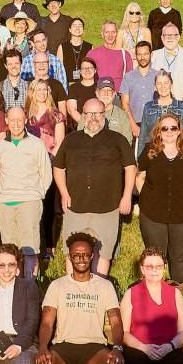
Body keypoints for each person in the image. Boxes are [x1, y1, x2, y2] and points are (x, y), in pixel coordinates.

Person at [37, 233, 125, 364]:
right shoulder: (57, 285)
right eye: (76, 255)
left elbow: (115, 321)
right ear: (70, 257)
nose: (81, 259)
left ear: (92, 256)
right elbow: (47, 323)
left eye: (85, 254)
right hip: (64, 346)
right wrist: (43, 348)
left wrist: (117, 347)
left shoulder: (104, 285)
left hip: (94, 347)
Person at [54, 99, 137, 275]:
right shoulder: (71, 140)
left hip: (107, 208)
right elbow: (59, 168)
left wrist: (126, 196)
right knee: (72, 252)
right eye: (89, 114)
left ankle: (99, 288)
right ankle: (72, 288)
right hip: (76, 207)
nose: (94, 118)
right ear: (83, 116)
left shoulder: (117, 139)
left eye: (98, 113)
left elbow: (130, 168)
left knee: (104, 252)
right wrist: (64, 193)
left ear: (104, 115)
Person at [135, 113, 183, 283]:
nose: (169, 131)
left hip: (182, 215)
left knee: (178, 258)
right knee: (155, 258)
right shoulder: (149, 151)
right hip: (152, 215)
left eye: (173, 128)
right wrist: (147, 198)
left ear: (179, 130)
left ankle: (179, 294)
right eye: (164, 128)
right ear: (158, 131)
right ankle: (153, 294)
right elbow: (140, 177)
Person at [0, 107, 53, 278]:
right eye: (12, 120)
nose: (16, 124)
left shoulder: (37, 144)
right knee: (10, 249)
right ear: (6, 121)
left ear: (25, 120)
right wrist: (7, 190)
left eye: (20, 120)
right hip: (6, 201)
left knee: (30, 248)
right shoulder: (0, 146)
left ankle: (30, 284)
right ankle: (13, 283)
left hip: (29, 201)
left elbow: (46, 173)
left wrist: (37, 194)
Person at [137, 71, 183, 157]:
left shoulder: (182, 107)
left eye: (166, 83)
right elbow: (143, 136)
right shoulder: (148, 107)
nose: (163, 87)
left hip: (175, 154)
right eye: (159, 83)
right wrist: (140, 158)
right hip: (153, 153)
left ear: (171, 84)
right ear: (155, 86)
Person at [118, 41, 156, 140]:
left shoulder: (158, 76)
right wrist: (133, 125)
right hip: (135, 124)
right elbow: (124, 103)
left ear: (151, 54)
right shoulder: (128, 77)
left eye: (145, 54)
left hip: (155, 124)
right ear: (136, 56)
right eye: (139, 54)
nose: (142, 57)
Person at [149, 24, 183, 100]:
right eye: (166, 35)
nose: (169, 38)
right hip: (159, 103)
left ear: (178, 37)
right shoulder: (153, 55)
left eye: (173, 35)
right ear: (162, 38)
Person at [25, 78, 67, 156]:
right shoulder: (26, 115)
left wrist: (49, 160)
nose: (42, 93)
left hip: (50, 157)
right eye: (39, 90)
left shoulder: (57, 115)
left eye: (45, 89)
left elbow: (59, 144)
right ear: (32, 92)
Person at [88, 20, 132, 89]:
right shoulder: (93, 54)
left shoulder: (125, 55)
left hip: (118, 93)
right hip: (99, 93)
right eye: (107, 32)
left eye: (113, 32)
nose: (110, 35)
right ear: (102, 34)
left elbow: (130, 79)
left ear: (117, 33)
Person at [57, 16, 93, 85]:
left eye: (80, 26)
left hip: (85, 85)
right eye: (74, 25)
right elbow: (59, 70)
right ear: (70, 29)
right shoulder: (62, 47)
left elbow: (92, 69)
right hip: (67, 85)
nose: (77, 28)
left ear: (83, 30)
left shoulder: (89, 47)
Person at [64, 56, 99, 124]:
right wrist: (85, 124)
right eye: (84, 68)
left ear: (95, 70)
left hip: (98, 124)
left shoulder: (100, 87)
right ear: (80, 71)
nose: (87, 70)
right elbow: (72, 110)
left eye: (90, 68)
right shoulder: (73, 88)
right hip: (80, 124)